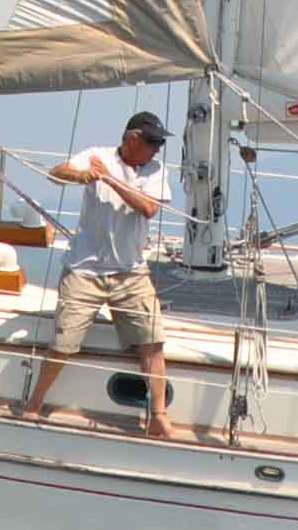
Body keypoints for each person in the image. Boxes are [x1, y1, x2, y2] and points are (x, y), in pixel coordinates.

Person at [13, 111, 179, 439]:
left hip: (131, 272)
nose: (158, 149)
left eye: (160, 143)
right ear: (133, 139)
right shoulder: (97, 156)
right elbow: (56, 173)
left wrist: (110, 180)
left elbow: (148, 208)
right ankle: (35, 403)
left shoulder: (155, 169)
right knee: (63, 344)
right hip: (84, 270)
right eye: (153, 142)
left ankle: (159, 415)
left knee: (153, 342)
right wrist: (85, 176)